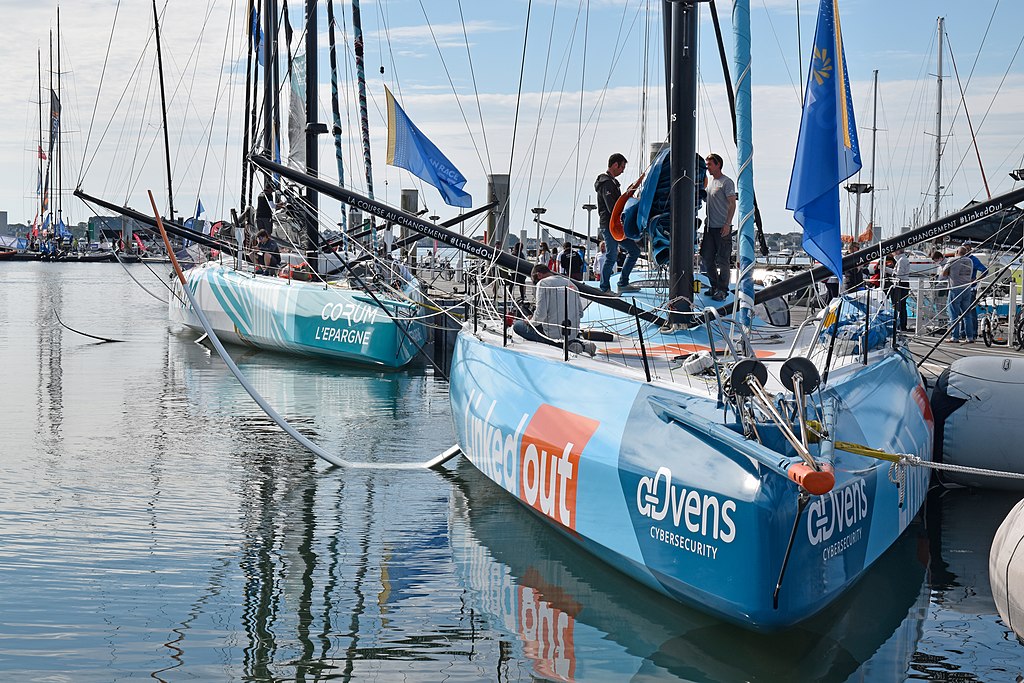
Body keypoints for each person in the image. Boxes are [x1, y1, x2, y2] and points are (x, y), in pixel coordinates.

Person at [513, 263, 596, 356]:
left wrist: (529, 321)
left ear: (539, 275)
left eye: (535, 281)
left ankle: (562, 345)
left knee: (518, 325)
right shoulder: (571, 284)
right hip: (572, 333)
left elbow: (540, 316)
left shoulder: (543, 284)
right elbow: (580, 313)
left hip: (552, 333)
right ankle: (581, 344)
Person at [595, 153, 641, 294]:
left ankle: (623, 282)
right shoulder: (606, 183)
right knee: (611, 256)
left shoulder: (612, 183)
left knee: (634, 251)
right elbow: (612, 207)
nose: (622, 171)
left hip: (617, 226)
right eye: (622, 167)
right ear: (615, 165)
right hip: (610, 226)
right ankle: (604, 288)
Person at [700, 153, 737, 301]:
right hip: (709, 227)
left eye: (710, 164)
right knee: (706, 258)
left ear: (718, 165)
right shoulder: (710, 182)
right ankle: (714, 286)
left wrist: (728, 224)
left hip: (722, 227)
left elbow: (732, 203)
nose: (707, 167)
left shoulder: (726, 182)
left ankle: (723, 290)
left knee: (723, 260)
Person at [941, 245, 976, 343]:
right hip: (967, 289)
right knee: (967, 314)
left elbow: (944, 274)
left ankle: (955, 336)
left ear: (957, 252)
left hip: (955, 288)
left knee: (953, 314)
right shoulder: (970, 261)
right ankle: (969, 337)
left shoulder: (952, 260)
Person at [965, 244, 988, 335]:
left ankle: (973, 333)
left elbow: (984, 270)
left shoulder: (973, 259)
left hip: (971, 288)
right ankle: (964, 332)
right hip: (962, 287)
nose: (965, 251)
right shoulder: (960, 259)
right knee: (963, 311)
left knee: (971, 311)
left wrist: (976, 280)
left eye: (967, 249)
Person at [890, 249, 911, 331]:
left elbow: (899, 274)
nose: (892, 253)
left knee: (899, 305)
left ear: (897, 252)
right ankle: (901, 325)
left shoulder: (901, 260)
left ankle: (901, 325)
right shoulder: (902, 260)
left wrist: (892, 274)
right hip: (902, 283)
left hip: (901, 284)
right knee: (901, 305)